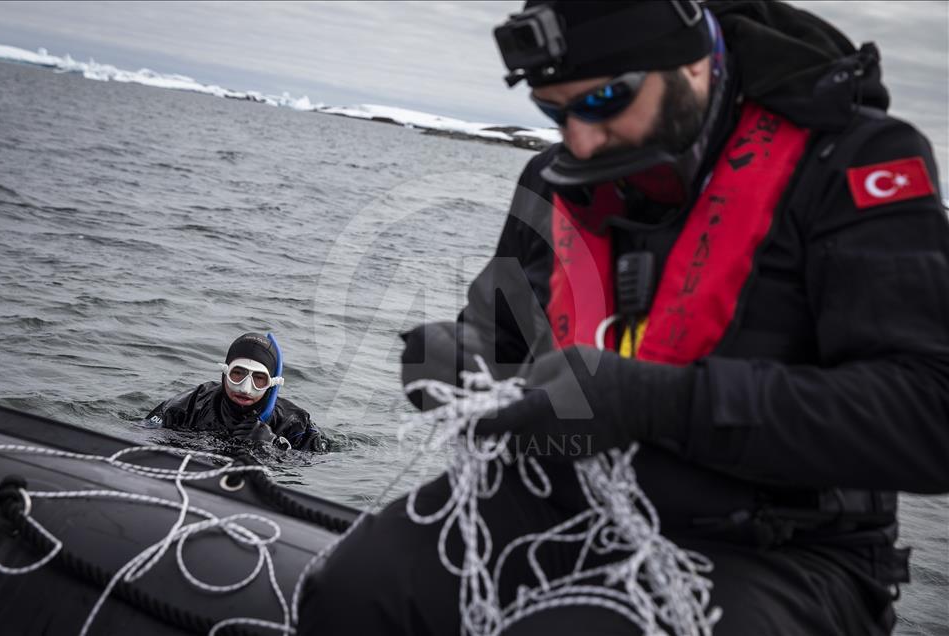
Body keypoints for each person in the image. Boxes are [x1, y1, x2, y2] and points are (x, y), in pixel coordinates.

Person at [299, 1, 948, 634]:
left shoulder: (858, 162)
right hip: (558, 502)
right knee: (354, 590)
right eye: (554, 111)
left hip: (779, 550)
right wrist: (451, 357)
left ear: (692, 66)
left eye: (605, 101)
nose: (579, 137)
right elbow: (497, 338)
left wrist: (659, 404)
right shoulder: (554, 178)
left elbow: (928, 415)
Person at [145, 332, 326, 452]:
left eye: (258, 378)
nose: (245, 389)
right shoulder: (190, 404)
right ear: (225, 373)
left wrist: (272, 445)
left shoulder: (295, 424)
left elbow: (316, 466)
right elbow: (144, 437)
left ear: (271, 383)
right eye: (237, 374)